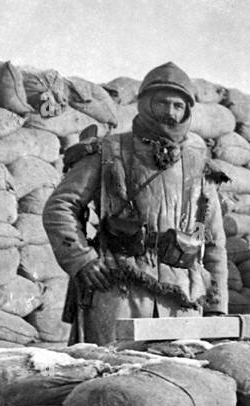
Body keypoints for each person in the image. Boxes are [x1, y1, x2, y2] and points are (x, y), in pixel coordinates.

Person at [42, 61, 227, 345]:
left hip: (181, 299)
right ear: (145, 104)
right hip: (119, 291)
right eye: (162, 103)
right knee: (110, 377)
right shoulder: (109, 152)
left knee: (176, 379)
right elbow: (60, 207)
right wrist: (82, 260)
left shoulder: (199, 168)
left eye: (178, 106)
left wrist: (216, 307)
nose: (170, 112)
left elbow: (213, 244)